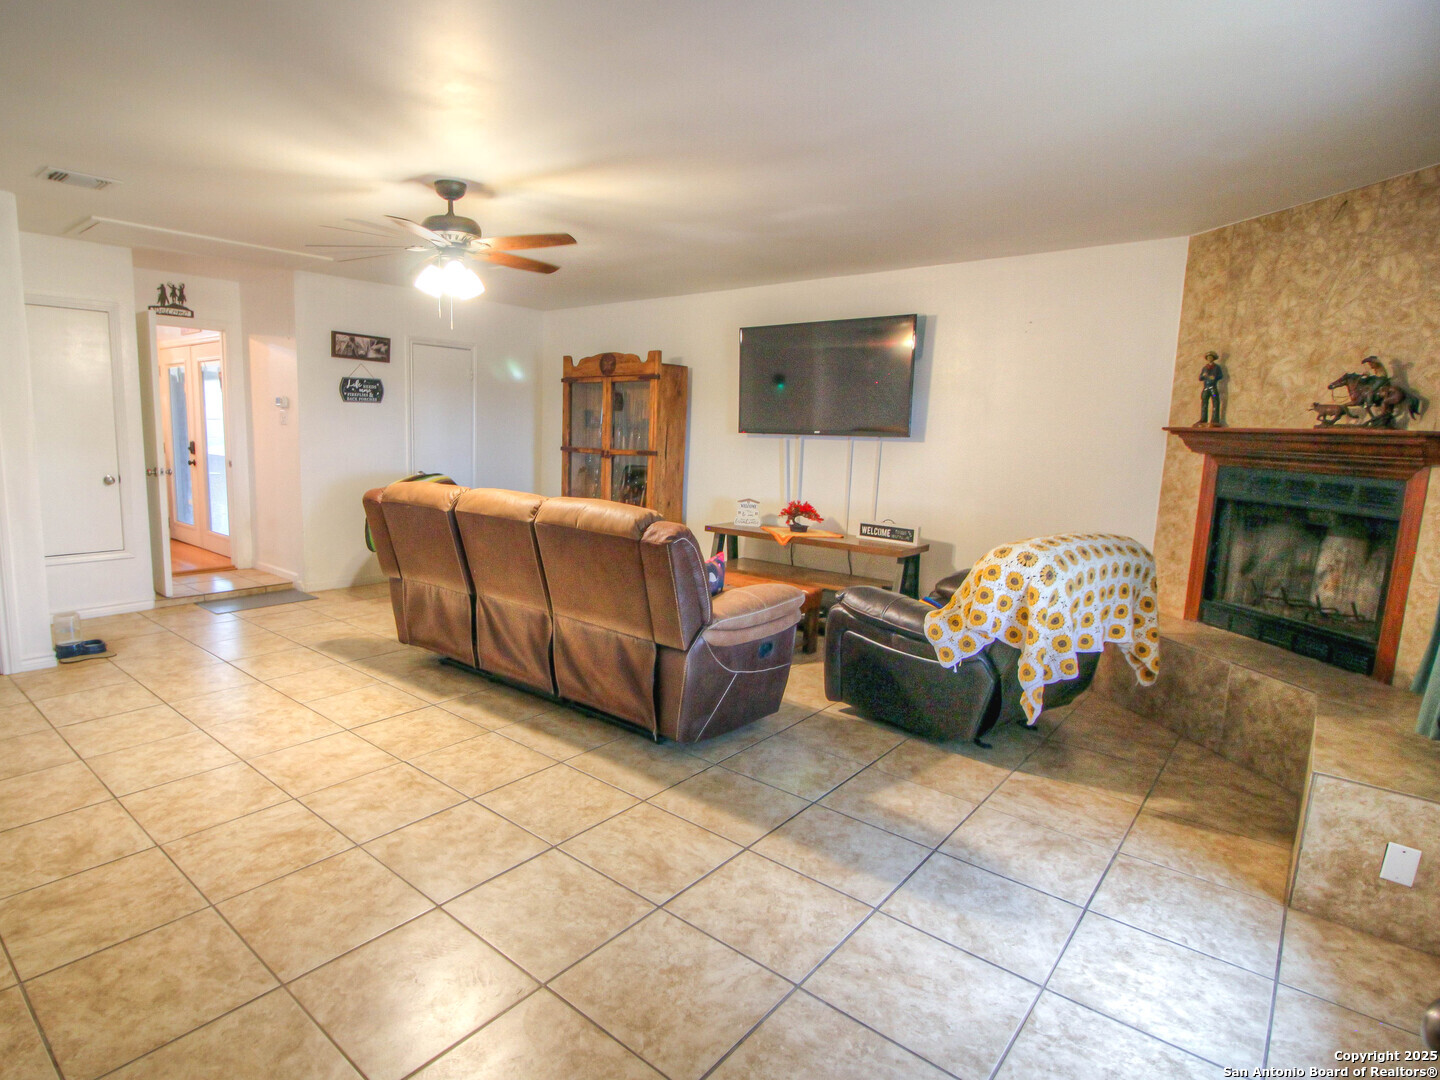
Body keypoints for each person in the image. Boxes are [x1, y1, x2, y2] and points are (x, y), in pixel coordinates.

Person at [1198, 351, 1223, 426]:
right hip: (1206, 389)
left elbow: (1220, 376)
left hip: (1213, 389)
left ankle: (1215, 419)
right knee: (1204, 402)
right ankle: (1203, 419)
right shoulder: (1205, 368)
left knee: (1215, 401)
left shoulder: (1217, 367)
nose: (1209, 359)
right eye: (1208, 357)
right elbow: (1200, 378)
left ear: (1213, 358)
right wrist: (1203, 375)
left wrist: (1215, 377)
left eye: (1211, 357)